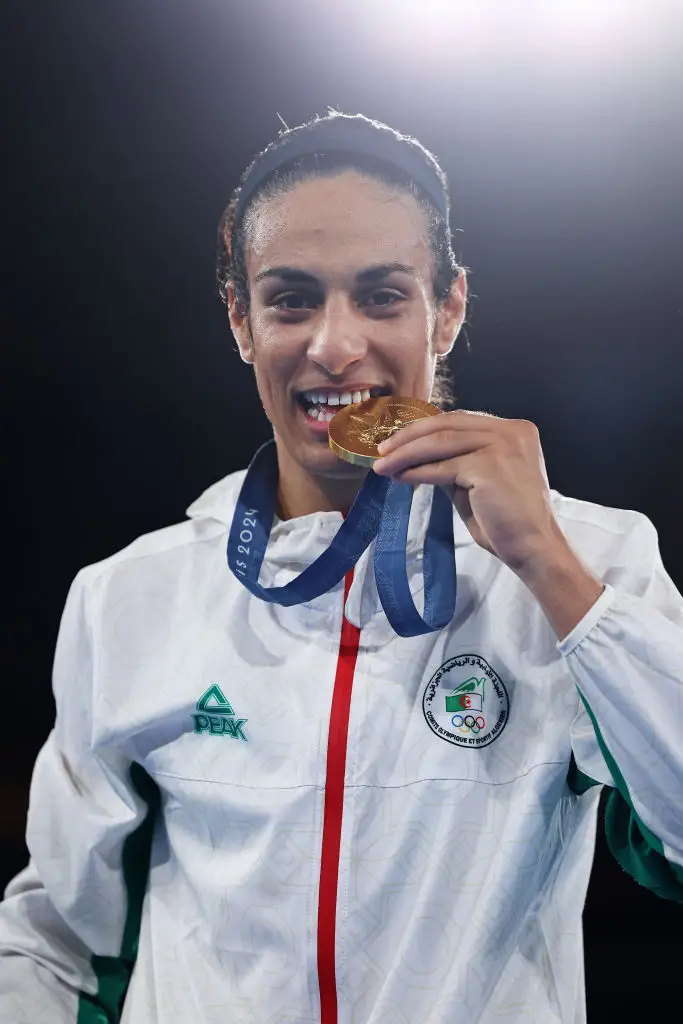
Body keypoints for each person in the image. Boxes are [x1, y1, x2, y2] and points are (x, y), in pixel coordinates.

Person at [1, 110, 682, 1024]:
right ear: (241, 319)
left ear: (448, 308)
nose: (333, 345)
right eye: (290, 300)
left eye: (381, 296)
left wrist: (544, 564)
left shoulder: (588, 564)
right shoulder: (130, 597)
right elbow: (59, 941)